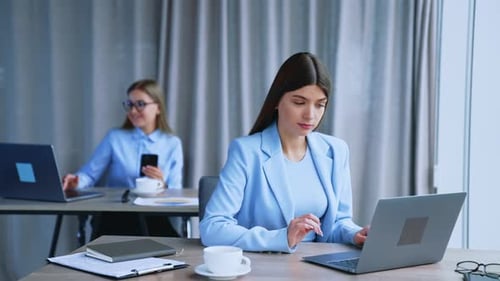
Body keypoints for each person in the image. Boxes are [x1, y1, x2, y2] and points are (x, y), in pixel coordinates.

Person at [200, 52, 369, 253]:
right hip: (265, 269)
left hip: (317, 269)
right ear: (277, 101)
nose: (310, 115)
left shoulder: (336, 151)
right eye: (299, 102)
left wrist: (354, 234)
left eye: (320, 105)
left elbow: (337, 224)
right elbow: (212, 228)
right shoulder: (246, 151)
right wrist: (282, 237)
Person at [63, 79, 183, 239]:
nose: (133, 111)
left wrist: (162, 184)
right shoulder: (115, 137)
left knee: (168, 244)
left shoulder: (172, 143)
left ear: (158, 107)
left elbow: (177, 193)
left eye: (140, 104)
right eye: (130, 104)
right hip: (116, 214)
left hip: (154, 217)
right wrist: (76, 181)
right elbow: (90, 174)